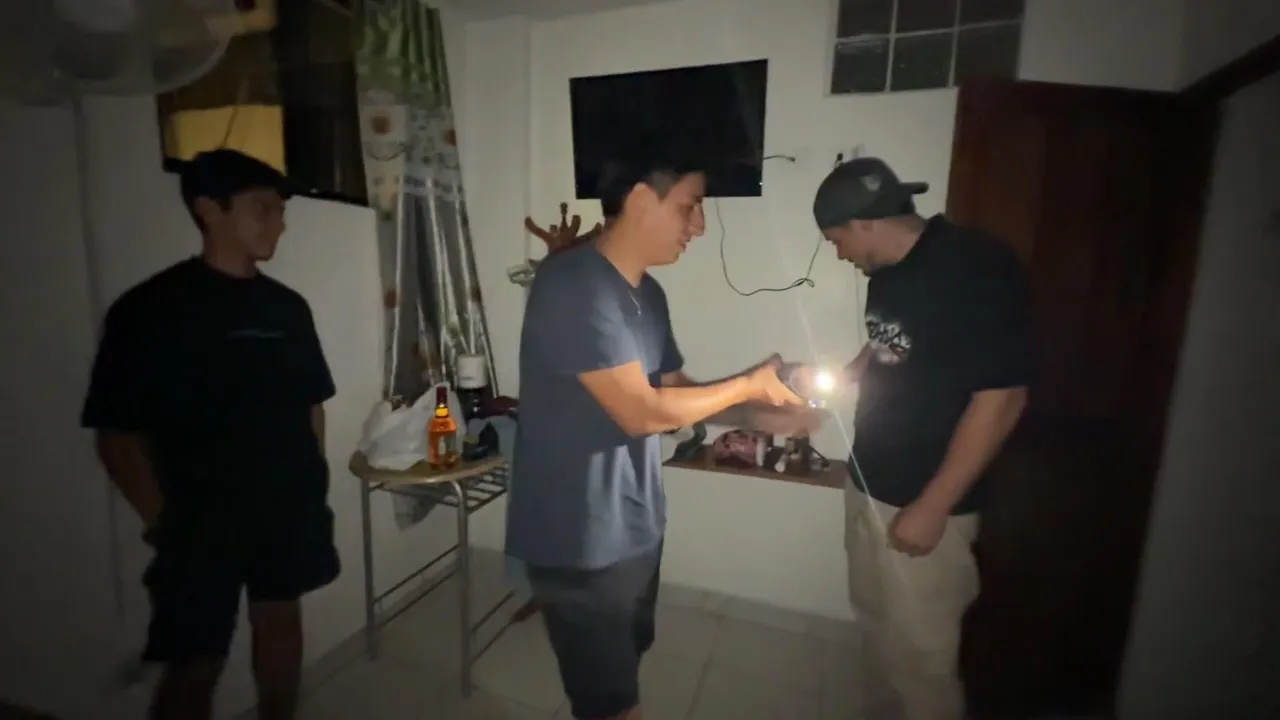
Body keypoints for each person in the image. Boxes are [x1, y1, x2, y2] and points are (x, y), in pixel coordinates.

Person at [507, 150, 819, 720]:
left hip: (635, 518)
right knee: (609, 703)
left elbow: (675, 391)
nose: (698, 226)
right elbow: (642, 413)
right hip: (576, 535)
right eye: (689, 207)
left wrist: (759, 413)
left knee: (629, 657)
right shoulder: (572, 284)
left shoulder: (648, 294)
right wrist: (747, 384)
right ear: (639, 199)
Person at [81, 149, 339, 720]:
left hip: (285, 507)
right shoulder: (150, 310)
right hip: (198, 520)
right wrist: (163, 521)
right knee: (196, 661)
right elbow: (116, 436)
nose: (278, 223)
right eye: (262, 208)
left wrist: (310, 480)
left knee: (281, 627)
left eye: (280, 210)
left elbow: (311, 405)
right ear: (208, 209)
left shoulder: (287, 309)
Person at [810, 157, 1031, 720]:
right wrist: (853, 371)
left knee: (922, 665)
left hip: (926, 499)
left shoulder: (974, 266)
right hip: (870, 484)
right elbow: (891, 339)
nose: (839, 253)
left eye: (836, 240)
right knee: (878, 634)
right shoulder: (888, 272)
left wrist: (934, 506)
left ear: (863, 223)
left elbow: (1003, 396)